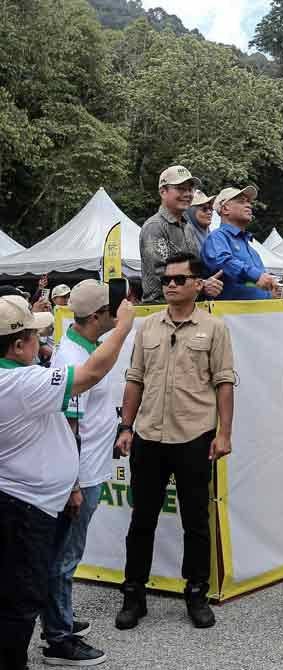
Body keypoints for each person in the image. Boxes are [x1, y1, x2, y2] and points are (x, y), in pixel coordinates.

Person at [0, 294, 134, 670]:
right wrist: (124, 327)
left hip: (24, 499)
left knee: (19, 590)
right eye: (34, 337)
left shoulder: (19, 376)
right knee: (20, 599)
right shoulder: (20, 382)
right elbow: (90, 374)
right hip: (24, 506)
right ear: (17, 345)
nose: (42, 343)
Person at [114, 252, 235, 631]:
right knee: (142, 520)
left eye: (179, 279)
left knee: (196, 522)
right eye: (166, 279)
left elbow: (224, 382)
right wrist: (126, 427)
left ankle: (196, 594)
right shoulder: (147, 327)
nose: (170, 285)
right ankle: (134, 595)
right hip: (148, 435)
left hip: (194, 437)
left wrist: (224, 432)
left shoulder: (215, 329)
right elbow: (134, 379)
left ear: (197, 284)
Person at [40, 280, 120, 667]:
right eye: (112, 310)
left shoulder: (80, 346)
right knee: (64, 556)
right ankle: (57, 637)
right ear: (98, 317)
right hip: (80, 474)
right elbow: (67, 427)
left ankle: (61, 617)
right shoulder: (73, 357)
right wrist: (72, 484)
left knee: (64, 553)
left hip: (88, 469)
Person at [139, 165, 223, 303]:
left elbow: (193, 270)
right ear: (163, 192)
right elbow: (161, 276)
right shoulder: (154, 227)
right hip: (161, 309)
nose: (187, 194)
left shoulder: (187, 226)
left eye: (190, 189)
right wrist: (202, 286)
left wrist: (205, 283)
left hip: (187, 308)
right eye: (180, 188)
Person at [201, 186, 278, 300]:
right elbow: (223, 261)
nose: (249, 205)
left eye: (248, 202)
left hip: (255, 314)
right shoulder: (217, 237)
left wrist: (270, 294)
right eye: (241, 201)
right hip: (229, 316)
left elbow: (255, 284)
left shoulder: (253, 251)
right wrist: (256, 276)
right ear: (225, 209)